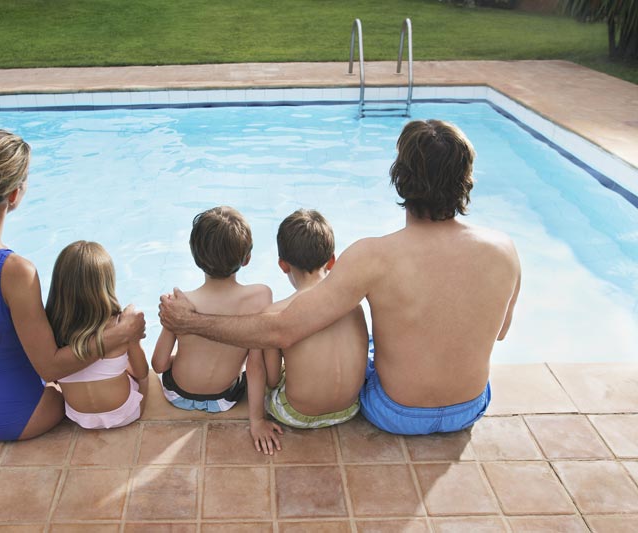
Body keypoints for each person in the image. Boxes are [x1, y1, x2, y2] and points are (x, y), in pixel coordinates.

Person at [160, 120, 521, 436]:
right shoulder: (504, 250)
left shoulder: (373, 256)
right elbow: (500, 331)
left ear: (401, 179)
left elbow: (282, 329)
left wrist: (190, 323)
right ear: (466, 179)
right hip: (469, 407)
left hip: (396, 412)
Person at [0, 129, 145, 441]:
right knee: (67, 396)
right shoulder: (16, 271)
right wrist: (120, 334)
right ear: (15, 193)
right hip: (19, 415)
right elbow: (51, 369)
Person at [247, 209, 368, 453]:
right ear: (332, 261)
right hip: (349, 409)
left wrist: (258, 420)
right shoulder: (354, 306)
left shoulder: (276, 313)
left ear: (283, 266)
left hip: (295, 415)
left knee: (257, 354)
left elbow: (271, 379)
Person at [152, 206, 272, 413]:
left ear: (195, 257)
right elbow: (255, 365)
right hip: (224, 400)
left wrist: (182, 357)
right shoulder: (260, 298)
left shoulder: (179, 303)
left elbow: (159, 365)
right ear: (247, 258)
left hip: (177, 395)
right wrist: (258, 420)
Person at [46, 241, 149, 429]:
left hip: (78, 416)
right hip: (125, 414)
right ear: (106, 283)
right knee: (139, 375)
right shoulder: (119, 325)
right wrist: (133, 341)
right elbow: (142, 372)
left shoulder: (50, 327)